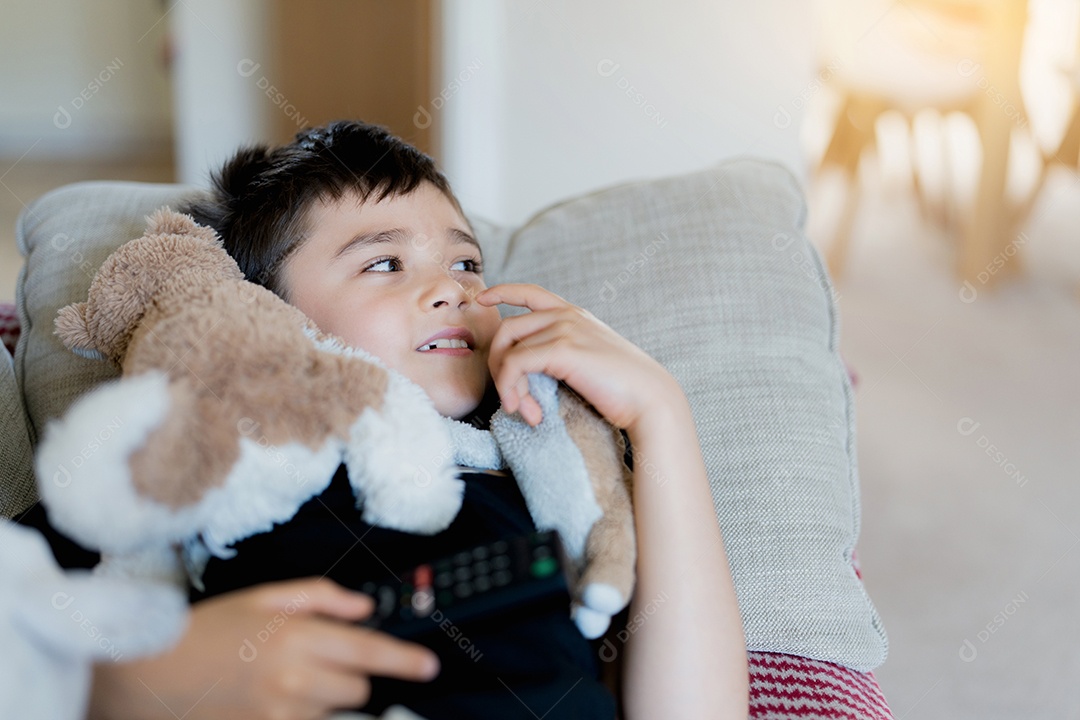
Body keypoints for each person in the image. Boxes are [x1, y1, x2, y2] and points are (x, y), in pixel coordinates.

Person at [87, 120, 748, 719]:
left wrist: (660, 413)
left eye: (466, 264)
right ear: (268, 315)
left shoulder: (550, 473)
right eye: (384, 263)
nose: (452, 289)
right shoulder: (230, 457)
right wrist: (137, 682)